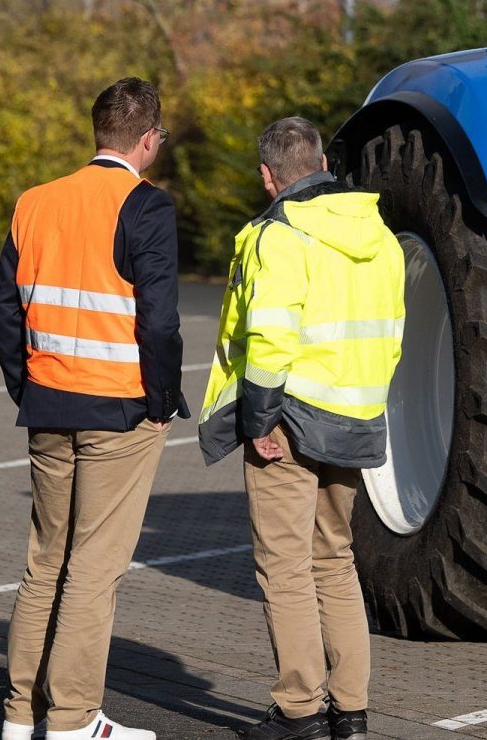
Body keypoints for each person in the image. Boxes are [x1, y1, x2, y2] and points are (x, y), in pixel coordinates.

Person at [0, 76, 187, 740]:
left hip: (49, 403)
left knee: (45, 561)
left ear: (99, 132)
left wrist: (29, 386)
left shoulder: (35, 202)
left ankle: (20, 713)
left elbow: (5, 313)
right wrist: (162, 401)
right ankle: (74, 719)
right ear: (149, 138)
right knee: (94, 569)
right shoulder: (146, 205)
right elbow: (159, 320)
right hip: (119, 410)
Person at [198, 118, 405, 740]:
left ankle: (299, 712)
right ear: (322, 163)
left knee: (284, 567)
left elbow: (270, 337)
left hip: (287, 422)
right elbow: (393, 333)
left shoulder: (279, 235)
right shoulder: (381, 235)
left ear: (269, 177)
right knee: (335, 561)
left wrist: (258, 419)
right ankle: (351, 712)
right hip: (354, 416)